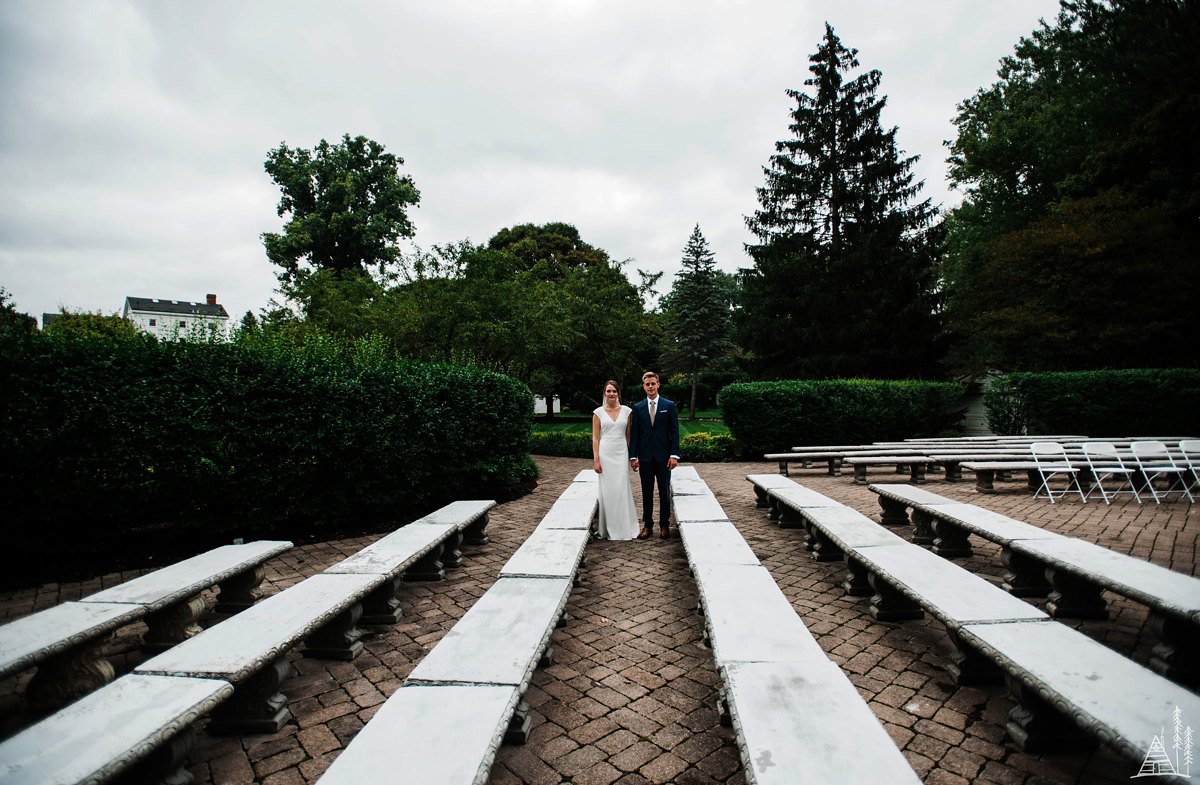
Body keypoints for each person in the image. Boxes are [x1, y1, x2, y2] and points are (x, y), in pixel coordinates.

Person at [628, 371, 681, 539]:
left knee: (664, 491)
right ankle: (647, 525)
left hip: (664, 457)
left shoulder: (669, 405)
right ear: (643, 387)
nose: (650, 386)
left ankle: (664, 525)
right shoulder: (638, 407)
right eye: (647, 384)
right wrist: (633, 456)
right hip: (645, 457)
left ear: (658, 384)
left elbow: (674, 432)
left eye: (653, 383)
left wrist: (674, 455)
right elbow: (635, 433)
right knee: (646, 491)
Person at [591, 380, 640, 540]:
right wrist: (596, 460)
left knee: (621, 489)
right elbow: (596, 439)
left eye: (614, 391)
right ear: (605, 393)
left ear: (618, 393)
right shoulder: (598, 412)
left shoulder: (626, 411)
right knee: (608, 492)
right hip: (605, 454)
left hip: (620, 454)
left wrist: (634, 456)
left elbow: (629, 436)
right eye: (608, 391)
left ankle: (624, 527)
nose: (611, 394)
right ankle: (607, 528)